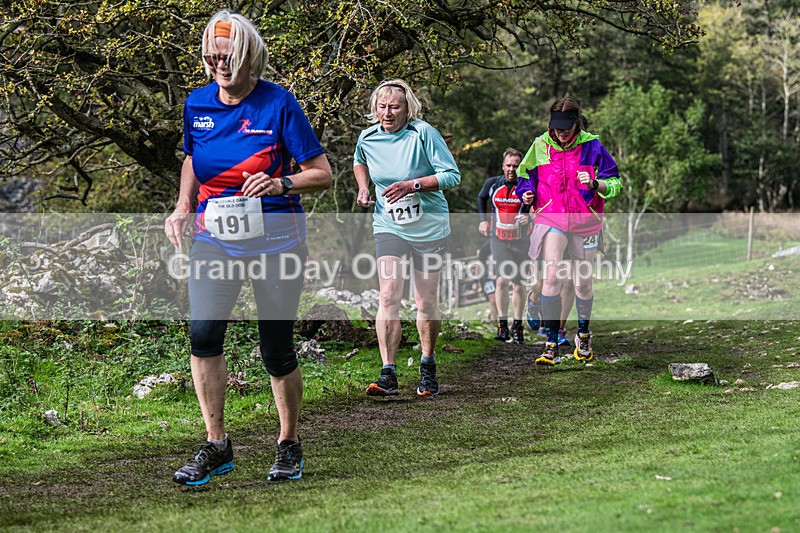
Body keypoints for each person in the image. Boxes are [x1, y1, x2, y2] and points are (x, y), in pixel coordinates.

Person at [164, 10, 332, 485]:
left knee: (275, 348)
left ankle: (288, 443)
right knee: (202, 335)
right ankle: (216, 444)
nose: (219, 64)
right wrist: (181, 207)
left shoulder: (278, 104)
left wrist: (281, 184)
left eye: (228, 56)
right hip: (215, 240)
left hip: (277, 241)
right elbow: (193, 161)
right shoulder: (197, 105)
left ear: (249, 56)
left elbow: (322, 174)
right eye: (212, 56)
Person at [354, 79, 461, 397]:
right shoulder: (368, 137)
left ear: (407, 108)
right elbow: (360, 161)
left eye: (395, 107)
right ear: (375, 109)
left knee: (425, 300)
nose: (388, 113)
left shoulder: (422, 133)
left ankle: (427, 366)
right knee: (387, 295)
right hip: (389, 225)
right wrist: (363, 187)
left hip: (429, 228)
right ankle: (388, 373)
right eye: (382, 107)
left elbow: (451, 175)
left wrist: (413, 185)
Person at [517, 97, 622, 365]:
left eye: (566, 128)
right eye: (557, 128)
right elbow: (524, 173)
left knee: (582, 282)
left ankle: (584, 334)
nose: (561, 133)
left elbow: (615, 182)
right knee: (552, 278)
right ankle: (551, 341)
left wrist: (597, 184)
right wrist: (526, 192)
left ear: (576, 123)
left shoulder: (592, 146)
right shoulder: (541, 144)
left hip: (585, 219)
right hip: (551, 217)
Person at [477, 148, 530, 344]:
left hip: (521, 240)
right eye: (508, 165)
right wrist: (482, 220)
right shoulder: (493, 184)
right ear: (503, 166)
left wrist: (529, 217)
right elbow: (481, 198)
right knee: (501, 280)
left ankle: (518, 326)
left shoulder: (527, 186)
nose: (512, 169)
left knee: (518, 284)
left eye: (516, 166)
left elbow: (537, 207)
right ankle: (502, 325)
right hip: (498, 238)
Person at [477, 239, 499, 323]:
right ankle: (494, 321)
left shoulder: (505, 246)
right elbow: (479, 264)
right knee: (492, 299)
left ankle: (500, 319)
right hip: (487, 278)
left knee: (499, 300)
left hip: (499, 276)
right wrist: (476, 282)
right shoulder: (485, 247)